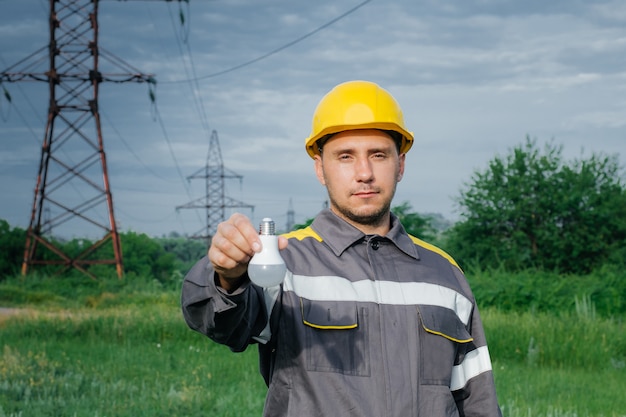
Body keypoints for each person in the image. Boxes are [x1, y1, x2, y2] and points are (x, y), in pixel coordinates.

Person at [181, 80, 502, 417]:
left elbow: (477, 400)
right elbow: (219, 322)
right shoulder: (281, 262)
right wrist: (226, 277)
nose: (364, 173)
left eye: (378, 155)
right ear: (320, 168)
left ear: (401, 163)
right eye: (345, 157)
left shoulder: (445, 274)